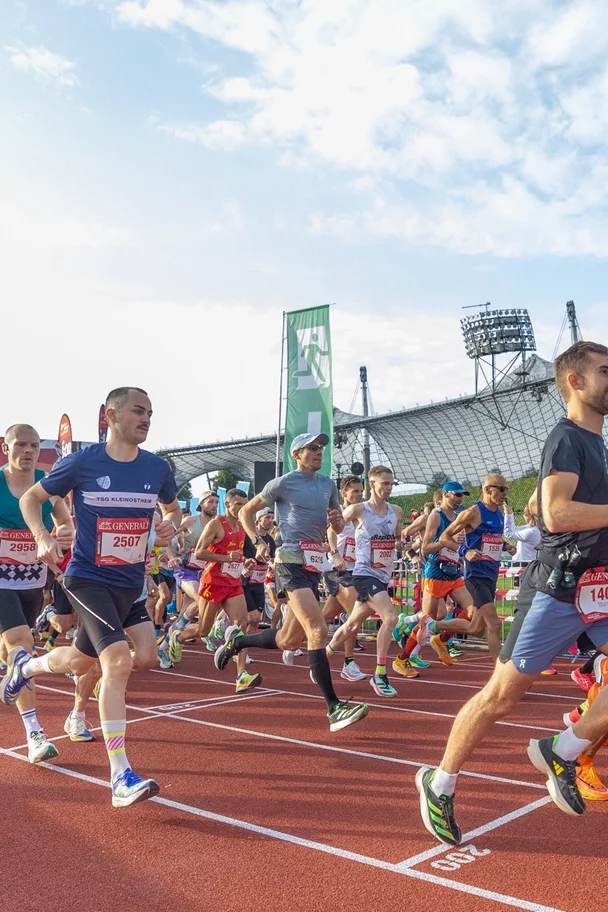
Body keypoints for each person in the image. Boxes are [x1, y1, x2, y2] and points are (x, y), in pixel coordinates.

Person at [416, 341, 608, 845]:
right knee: (499, 698)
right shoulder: (567, 438)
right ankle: (440, 783)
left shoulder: (599, 445)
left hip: (597, 589)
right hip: (556, 590)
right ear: (575, 381)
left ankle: (563, 750)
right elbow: (556, 514)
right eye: (606, 371)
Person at [1, 388, 181, 807]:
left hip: (129, 584)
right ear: (111, 415)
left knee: (96, 660)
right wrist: (43, 535)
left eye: (150, 413)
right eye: (138, 411)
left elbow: (171, 510)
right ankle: (120, 775)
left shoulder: (157, 468)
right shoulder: (82, 463)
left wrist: (170, 525)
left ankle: (27, 667)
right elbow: (32, 498)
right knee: (116, 661)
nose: (146, 419)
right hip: (86, 579)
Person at [214, 432, 368, 732]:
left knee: (288, 640)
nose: (318, 452)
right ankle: (333, 708)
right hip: (288, 562)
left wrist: (337, 522)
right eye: (311, 448)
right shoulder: (283, 483)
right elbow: (247, 511)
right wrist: (258, 540)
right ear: (296, 454)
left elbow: (336, 523)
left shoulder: (327, 485)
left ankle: (237, 641)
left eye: (320, 448)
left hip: (313, 565)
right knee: (318, 630)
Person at [0, 424, 75, 761]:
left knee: (11, 656)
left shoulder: (48, 483)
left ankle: (11, 679)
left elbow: (66, 521)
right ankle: (34, 734)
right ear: (6, 446)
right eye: (21, 445)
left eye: (34, 445)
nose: (28, 451)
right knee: (22, 647)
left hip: (32, 581)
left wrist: (63, 534)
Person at [166, 488, 261, 693]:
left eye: (245, 505)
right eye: (238, 505)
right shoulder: (217, 523)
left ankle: (241, 676)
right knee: (203, 630)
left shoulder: (243, 526)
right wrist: (227, 559)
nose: (242, 508)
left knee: (242, 624)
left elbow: (236, 556)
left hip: (233, 582)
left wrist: (246, 563)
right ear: (227, 505)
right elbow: (200, 552)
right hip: (213, 583)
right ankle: (179, 637)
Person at [325, 465, 402, 697]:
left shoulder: (396, 511)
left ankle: (322, 656)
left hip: (383, 575)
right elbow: (332, 528)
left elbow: (397, 539)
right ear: (372, 485)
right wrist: (335, 553)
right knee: (390, 617)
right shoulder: (359, 510)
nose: (388, 488)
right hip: (363, 574)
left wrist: (400, 546)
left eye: (391, 484)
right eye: (384, 484)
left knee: (351, 624)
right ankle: (380, 674)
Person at [435, 474, 507, 661]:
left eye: (506, 489)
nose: (504, 493)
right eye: (501, 489)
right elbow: (444, 537)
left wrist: (507, 546)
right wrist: (464, 551)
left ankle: (433, 627)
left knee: (476, 629)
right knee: (495, 625)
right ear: (487, 489)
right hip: (475, 576)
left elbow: (492, 539)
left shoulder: (499, 513)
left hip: (491, 575)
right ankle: (501, 673)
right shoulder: (473, 512)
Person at [323, 475, 366, 682]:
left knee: (323, 618)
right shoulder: (338, 511)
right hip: (337, 570)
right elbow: (331, 532)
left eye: (361, 491)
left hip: (356, 571)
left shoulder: (364, 513)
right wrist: (335, 553)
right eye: (354, 491)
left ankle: (297, 637)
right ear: (344, 493)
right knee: (354, 614)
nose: (359, 494)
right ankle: (348, 663)